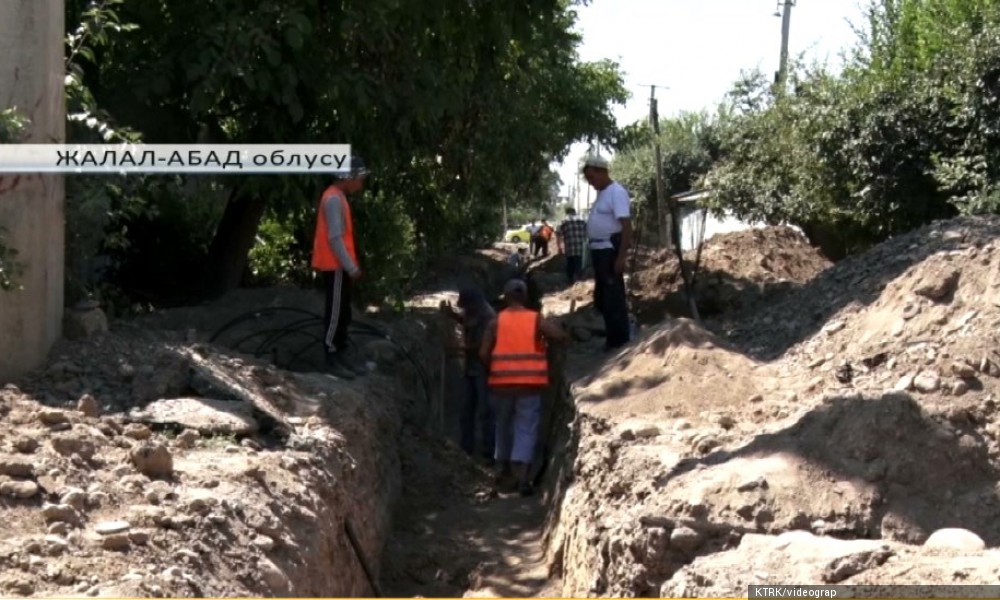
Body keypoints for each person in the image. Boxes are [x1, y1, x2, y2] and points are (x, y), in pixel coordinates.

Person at [481, 279, 569, 496]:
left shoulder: (495, 322)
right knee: (526, 428)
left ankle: (501, 471)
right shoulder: (535, 319)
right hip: (529, 385)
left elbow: (483, 353)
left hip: (502, 385)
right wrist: (568, 335)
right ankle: (523, 479)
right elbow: (558, 335)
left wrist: (494, 369)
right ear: (526, 297)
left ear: (506, 296)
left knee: (502, 425)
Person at [311, 154, 370, 380]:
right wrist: (351, 266)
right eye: (359, 178)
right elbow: (335, 238)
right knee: (336, 312)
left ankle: (340, 353)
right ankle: (331, 355)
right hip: (334, 265)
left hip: (340, 266)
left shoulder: (338, 197)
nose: (361, 183)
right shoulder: (334, 199)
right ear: (348, 176)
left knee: (343, 311)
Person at [582, 154, 632, 352]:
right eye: (588, 179)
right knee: (602, 298)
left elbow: (627, 227)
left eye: (592, 177)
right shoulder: (602, 194)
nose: (590, 182)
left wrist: (621, 257)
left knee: (613, 297)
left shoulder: (616, 192)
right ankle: (613, 336)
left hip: (609, 251)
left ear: (603, 172)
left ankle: (619, 340)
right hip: (599, 251)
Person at [441, 288, 497, 465]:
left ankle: (489, 452)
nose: (464, 310)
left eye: (466, 306)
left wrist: (456, 350)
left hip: (484, 369)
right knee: (466, 410)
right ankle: (466, 449)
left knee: (486, 411)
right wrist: (452, 315)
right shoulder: (472, 311)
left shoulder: (487, 317)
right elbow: (465, 321)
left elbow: (481, 347)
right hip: (470, 369)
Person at [557, 208, 587, 284]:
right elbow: (588, 233)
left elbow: (558, 234)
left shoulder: (564, 222)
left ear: (567, 213)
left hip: (570, 247)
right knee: (579, 264)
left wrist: (559, 247)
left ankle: (571, 281)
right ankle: (579, 281)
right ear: (575, 212)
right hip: (581, 247)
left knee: (570, 264)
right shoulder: (582, 221)